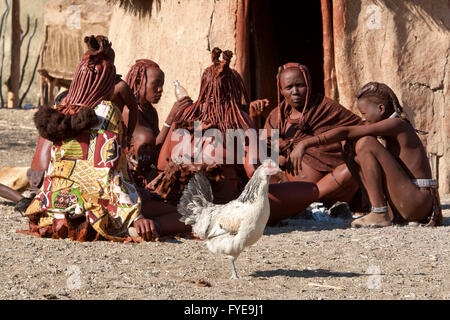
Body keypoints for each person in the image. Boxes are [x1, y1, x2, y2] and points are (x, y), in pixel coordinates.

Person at [23, 35, 189, 241]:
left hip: (53, 205)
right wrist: (135, 216)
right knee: (185, 216)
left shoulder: (62, 111)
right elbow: (110, 175)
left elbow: (52, 173)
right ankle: (142, 226)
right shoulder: (107, 115)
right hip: (99, 207)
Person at [289, 82, 442, 227]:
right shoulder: (389, 125)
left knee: (365, 143)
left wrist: (305, 143)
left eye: (364, 113)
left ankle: (379, 212)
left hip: (417, 201)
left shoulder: (397, 124)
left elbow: (348, 130)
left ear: (381, 109)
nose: (362, 118)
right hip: (406, 199)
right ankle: (377, 208)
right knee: (349, 146)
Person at [261, 63, 367, 214]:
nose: (295, 92)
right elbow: (266, 151)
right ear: (281, 90)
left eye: (300, 85)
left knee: (354, 167)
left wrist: (307, 144)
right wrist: (279, 159)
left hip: (330, 188)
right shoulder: (276, 117)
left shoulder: (325, 108)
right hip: (286, 185)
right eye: (289, 87)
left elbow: (359, 127)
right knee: (256, 167)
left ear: (309, 85)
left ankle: (308, 204)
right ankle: (299, 204)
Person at [121, 59, 192, 188]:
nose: (160, 89)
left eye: (162, 85)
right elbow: (150, 149)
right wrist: (170, 119)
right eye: (155, 84)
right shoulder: (129, 112)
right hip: (131, 181)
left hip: (150, 176)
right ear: (139, 83)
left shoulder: (151, 111)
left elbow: (159, 147)